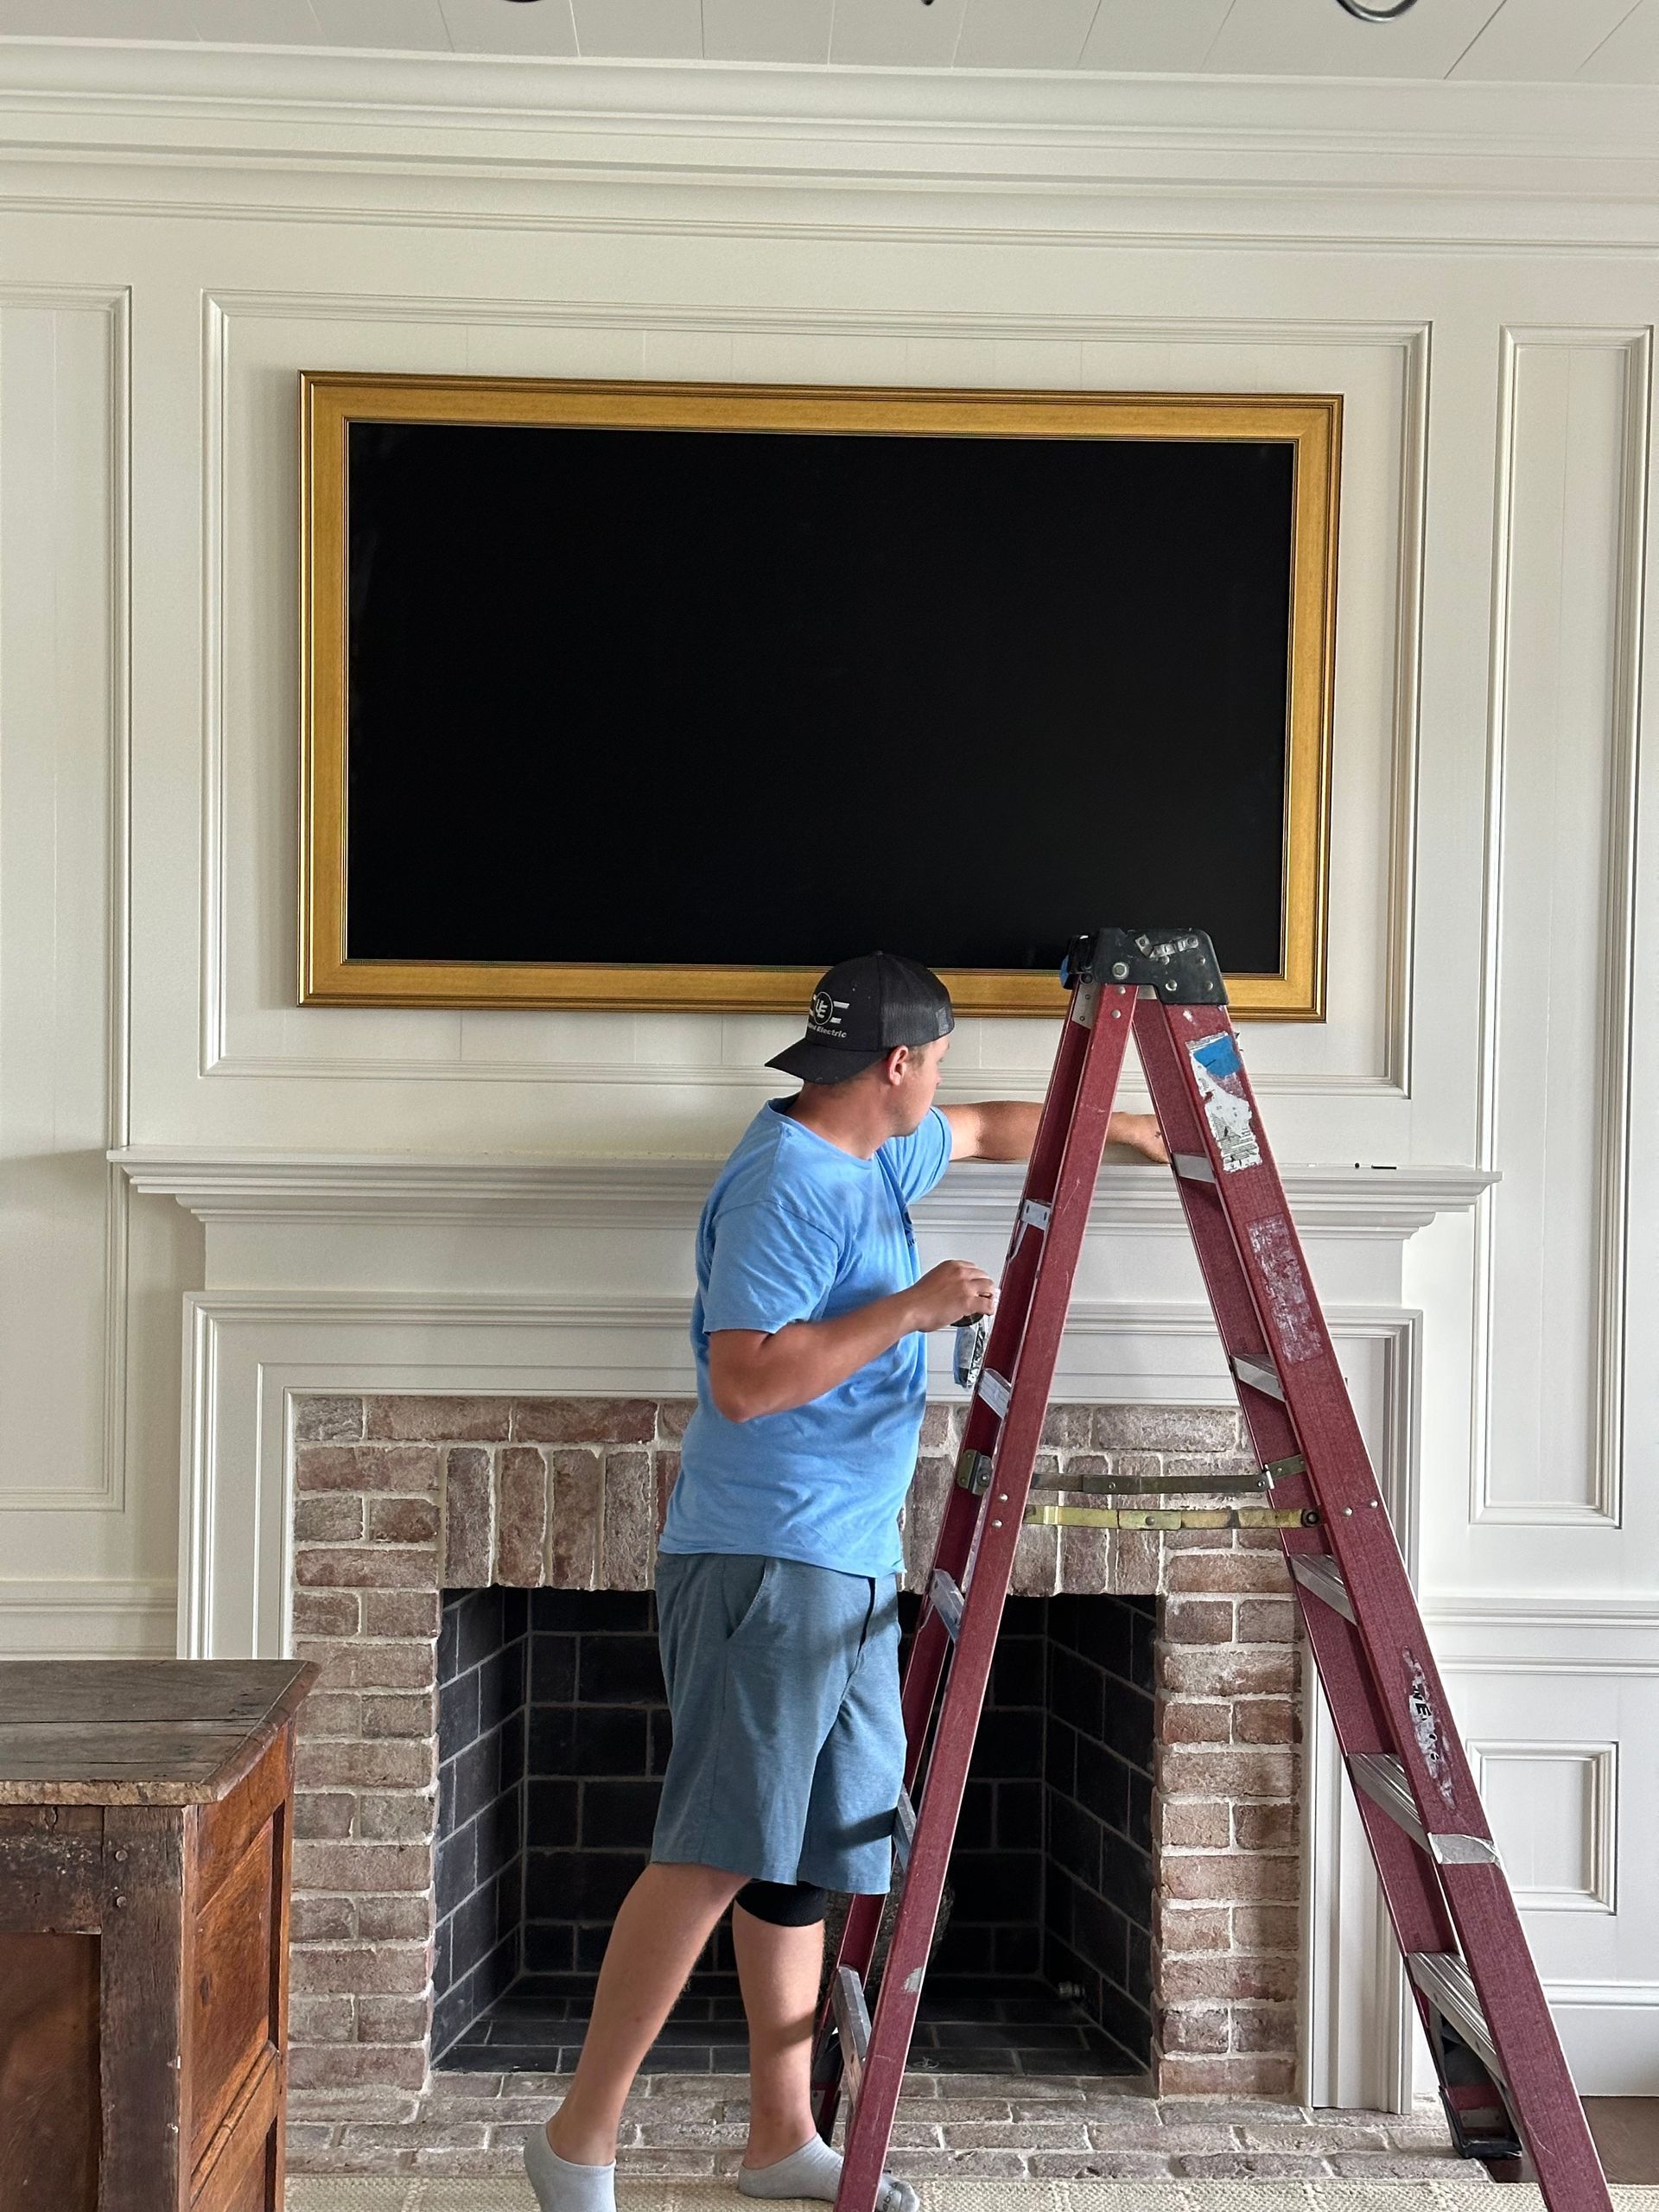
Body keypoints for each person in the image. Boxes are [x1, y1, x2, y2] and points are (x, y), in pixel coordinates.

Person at [525, 952, 1166, 2212]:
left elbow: (989, 1130)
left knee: (801, 1861)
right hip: (766, 1558)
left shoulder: (876, 1148)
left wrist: (1136, 1130)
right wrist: (917, 1308)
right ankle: (577, 2138)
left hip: (844, 1558)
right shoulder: (785, 1187)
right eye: (936, 1062)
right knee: (712, 1852)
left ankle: (780, 2141)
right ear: (896, 1065)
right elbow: (749, 1380)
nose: (947, 1085)